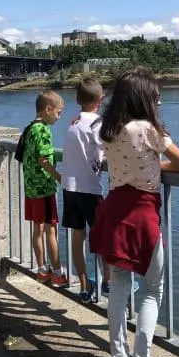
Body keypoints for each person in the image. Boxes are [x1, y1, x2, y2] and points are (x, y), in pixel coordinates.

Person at [89, 67, 179, 357]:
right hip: (142, 212)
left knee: (119, 288)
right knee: (152, 289)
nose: (158, 102)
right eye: (155, 96)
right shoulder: (147, 129)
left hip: (115, 209)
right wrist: (156, 166)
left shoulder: (108, 127)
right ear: (144, 98)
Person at [60, 77, 111, 302]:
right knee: (101, 237)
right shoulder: (97, 123)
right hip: (90, 189)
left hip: (69, 188)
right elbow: (104, 151)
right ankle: (108, 281)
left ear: (78, 100)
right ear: (100, 100)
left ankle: (82, 284)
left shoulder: (73, 124)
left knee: (77, 237)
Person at [22, 89, 67, 287]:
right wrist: (59, 177)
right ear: (48, 110)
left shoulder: (31, 128)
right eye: (59, 112)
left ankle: (42, 269)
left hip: (31, 188)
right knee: (51, 230)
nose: (60, 116)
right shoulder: (43, 130)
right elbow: (43, 159)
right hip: (44, 189)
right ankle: (57, 272)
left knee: (37, 229)